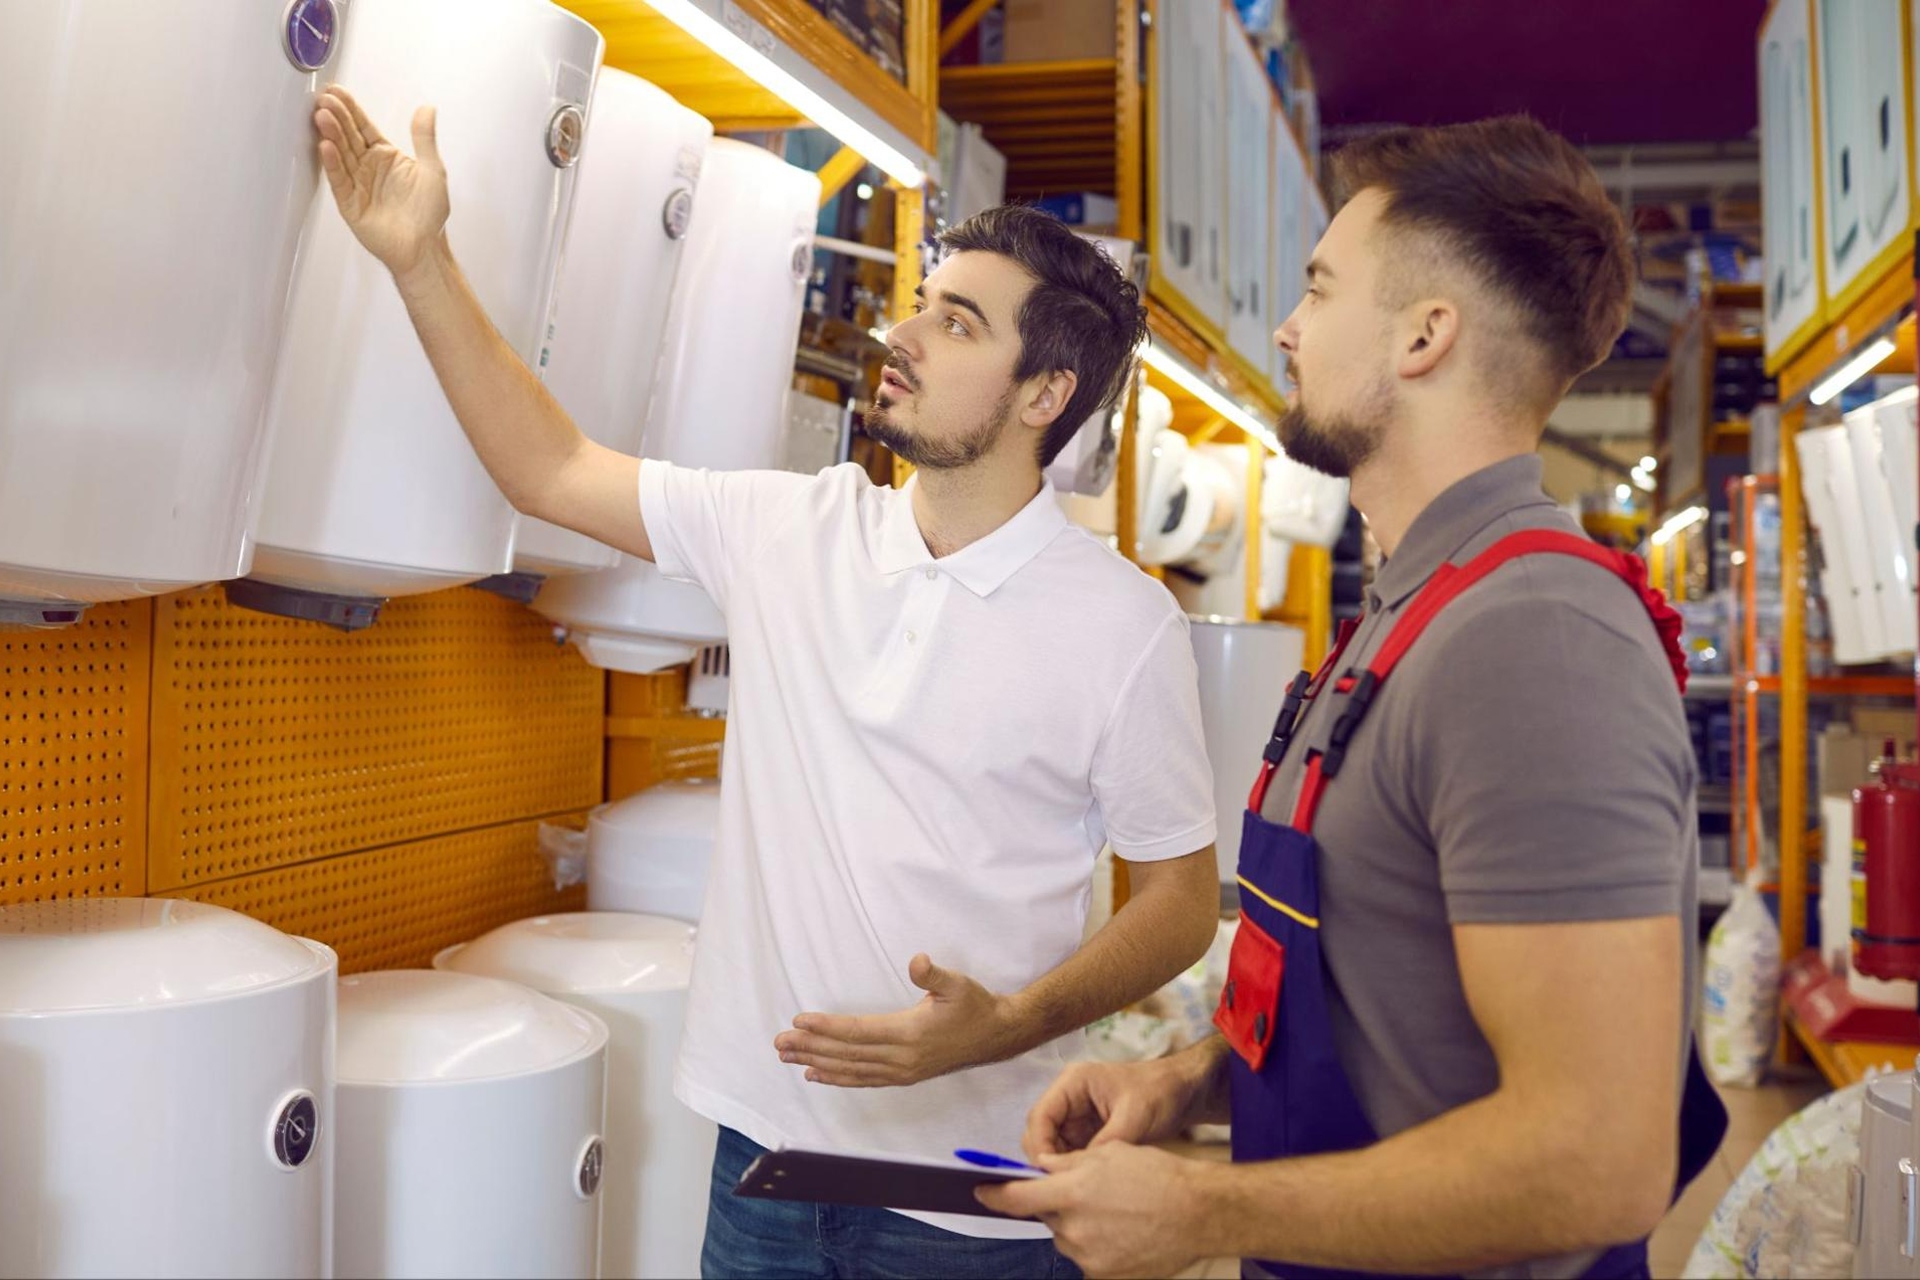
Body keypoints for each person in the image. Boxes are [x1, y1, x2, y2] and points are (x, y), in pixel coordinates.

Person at [310, 89, 1222, 1279]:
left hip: (972, 1208)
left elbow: (1179, 901)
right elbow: (547, 466)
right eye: (921, 301)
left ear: (1044, 395)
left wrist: (1008, 1022)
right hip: (762, 1175)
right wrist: (421, 259)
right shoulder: (789, 528)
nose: (904, 330)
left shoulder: (1123, 625)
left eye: (954, 322)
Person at [983, 116, 1728, 1279]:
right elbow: (1378, 993)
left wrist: (1209, 1210)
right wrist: (1184, 1080)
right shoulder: (1409, 610)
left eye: (1322, 289)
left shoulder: (1533, 637)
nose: (1286, 327)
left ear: (1427, 334)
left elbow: (1602, 1156)